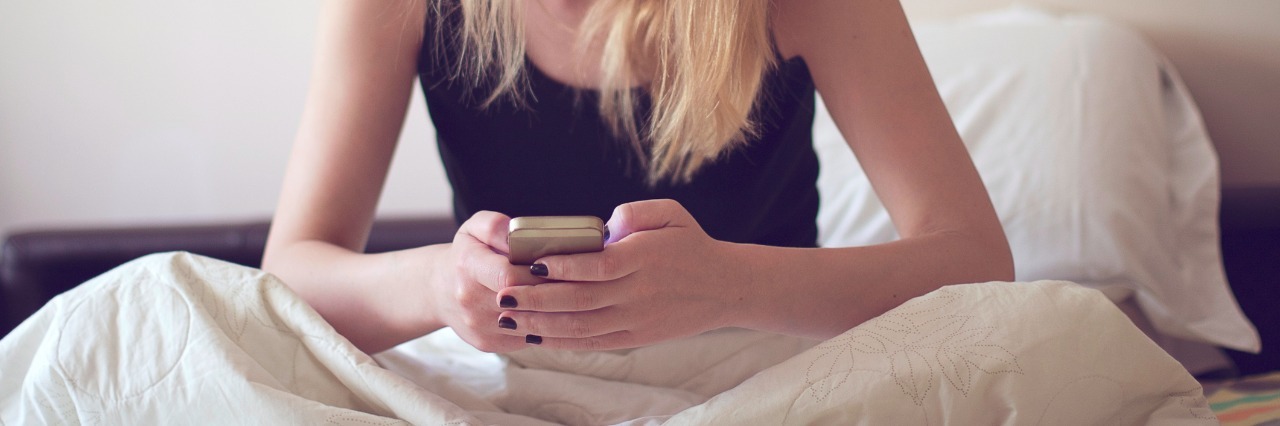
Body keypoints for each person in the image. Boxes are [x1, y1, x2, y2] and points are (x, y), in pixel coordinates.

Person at [261, 0, 1014, 356]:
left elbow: (975, 260)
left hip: (759, 378)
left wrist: (731, 287)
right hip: (512, 387)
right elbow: (288, 275)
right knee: (158, 293)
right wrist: (436, 287)